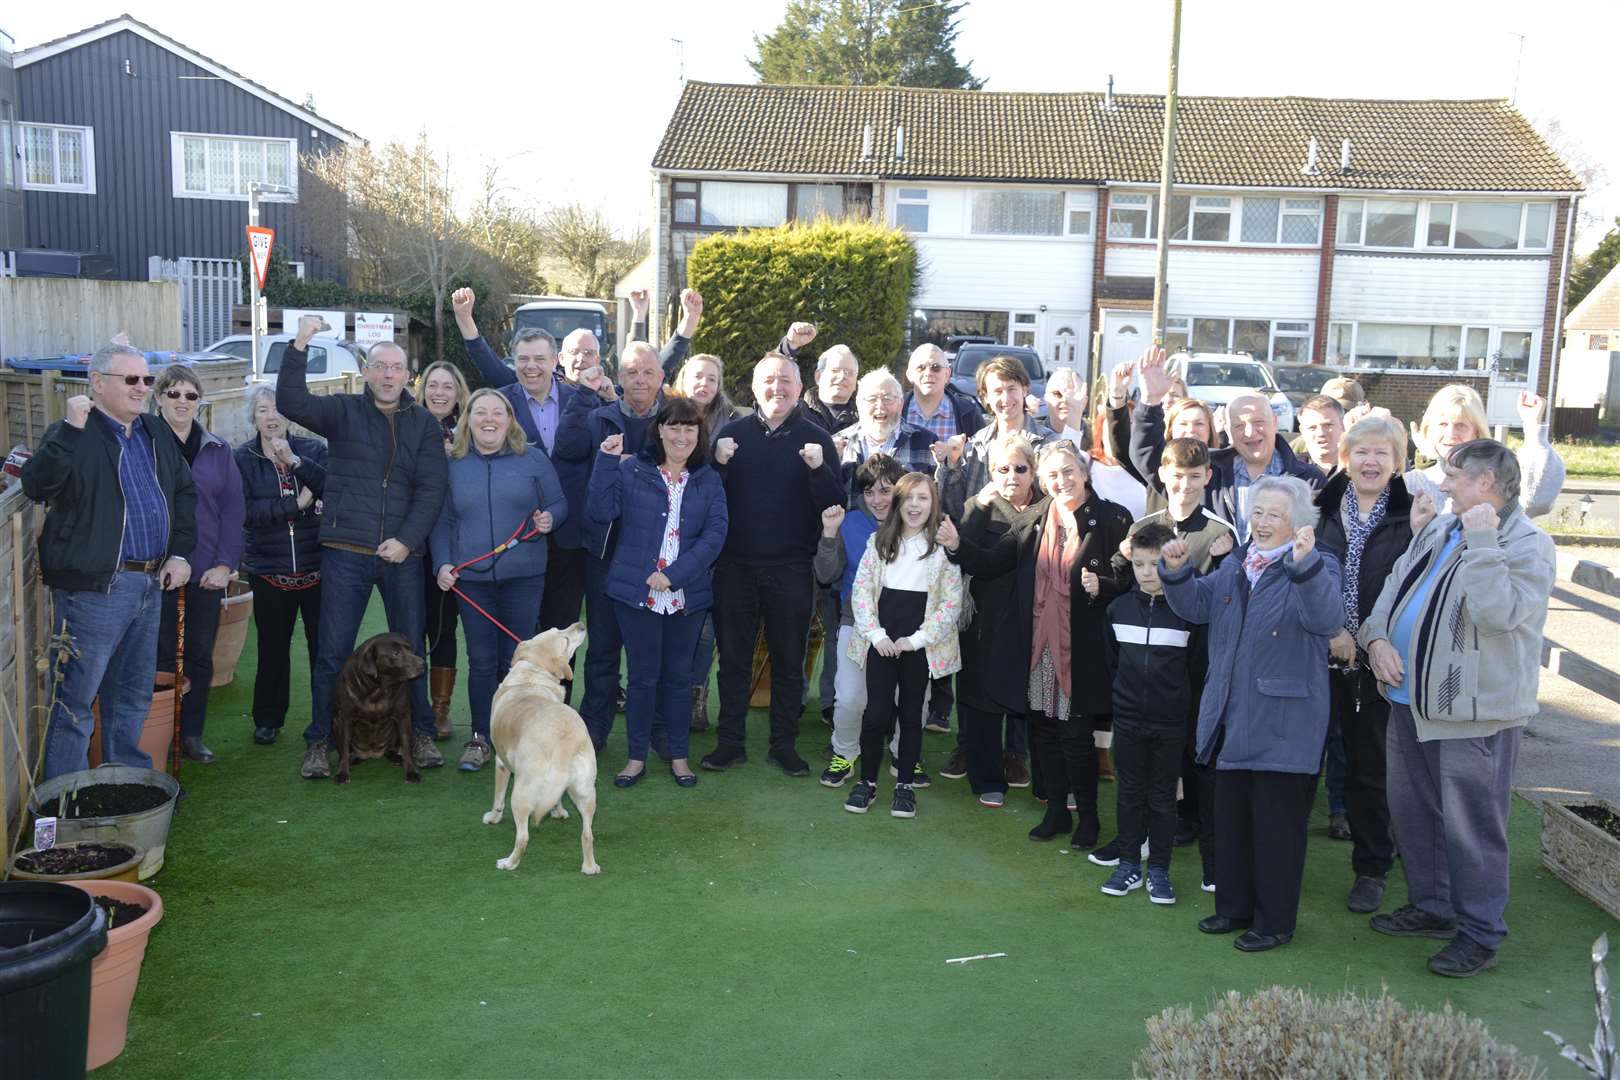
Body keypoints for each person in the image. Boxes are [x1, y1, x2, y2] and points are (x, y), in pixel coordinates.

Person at [1359, 439, 1555, 978]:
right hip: (1408, 702)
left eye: (1455, 477)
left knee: (1473, 828)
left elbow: (1497, 615)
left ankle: (1480, 934)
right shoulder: (1443, 527)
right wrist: (1376, 641)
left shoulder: (1526, 544)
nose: (1443, 485)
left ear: (1486, 483)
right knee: (1414, 813)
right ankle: (1433, 906)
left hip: (1474, 718)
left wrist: (1485, 541)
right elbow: (1393, 589)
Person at [1160, 475, 1343, 953]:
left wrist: (1304, 568)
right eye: (1257, 512)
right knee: (1233, 820)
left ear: (1298, 524)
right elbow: (1196, 607)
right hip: (1231, 717)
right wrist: (1177, 571)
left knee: (1276, 830)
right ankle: (1233, 908)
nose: (1261, 523)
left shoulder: (1318, 563)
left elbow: (1327, 620)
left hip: (1284, 724)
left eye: (1274, 515)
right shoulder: (1240, 563)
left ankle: (1275, 922)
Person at [277, 314, 449, 780]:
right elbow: (290, 399)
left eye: (396, 368)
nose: (388, 375)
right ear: (367, 372)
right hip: (346, 552)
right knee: (332, 652)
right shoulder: (343, 411)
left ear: (406, 376)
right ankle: (319, 739)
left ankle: (421, 733)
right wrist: (302, 342)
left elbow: (432, 491)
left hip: (401, 556)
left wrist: (407, 541)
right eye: (380, 366)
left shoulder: (425, 427)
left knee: (413, 655)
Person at [23, 342, 196, 780]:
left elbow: (184, 492)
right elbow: (38, 486)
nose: (143, 389)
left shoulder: (154, 433)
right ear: (97, 384)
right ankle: (67, 801)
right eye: (131, 380)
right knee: (75, 702)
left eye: (146, 380)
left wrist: (178, 553)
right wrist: (68, 429)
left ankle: (123, 788)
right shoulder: (76, 432)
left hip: (149, 583)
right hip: (96, 589)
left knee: (131, 695)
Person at [949, 441, 1132, 847]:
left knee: (1077, 736)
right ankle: (1055, 814)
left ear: (1085, 473)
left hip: (1082, 648)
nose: (1061, 480)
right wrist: (957, 545)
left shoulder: (1113, 519)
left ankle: (1088, 819)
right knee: (1044, 731)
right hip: (1036, 645)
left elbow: (1128, 578)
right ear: (1044, 482)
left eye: (1068, 471)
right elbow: (994, 561)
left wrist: (1102, 585)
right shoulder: (1035, 517)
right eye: (1052, 475)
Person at [700, 353, 845, 776]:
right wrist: (718, 463)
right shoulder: (732, 436)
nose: (777, 388)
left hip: (792, 569)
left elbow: (833, 504)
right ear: (754, 386)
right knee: (732, 660)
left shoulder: (817, 439)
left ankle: (784, 746)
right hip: (736, 568)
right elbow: (708, 500)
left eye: (785, 381)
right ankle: (730, 744)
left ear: (800, 389)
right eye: (768, 380)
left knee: (788, 662)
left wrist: (818, 470)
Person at [1100, 437, 1233, 889]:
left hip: (1184, 678)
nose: (1185, 484)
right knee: (1136, 786)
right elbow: (1114, 651)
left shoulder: (1219, 530)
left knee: (1184, 778)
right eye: (1177, 475)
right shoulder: (1143, 527)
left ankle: (1188, 861)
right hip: (1135, 697)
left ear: (1208, 478)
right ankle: (1129, 854)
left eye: (1195, 476)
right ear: (1162, 474)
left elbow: (1213, 607)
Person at [452, 287, 587, 701]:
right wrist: (465, 319)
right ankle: (502, 714)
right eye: (523, 359)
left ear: (555, 361)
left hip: (567, 536)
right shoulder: (503, 403)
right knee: (512, 638)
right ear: (515, 363)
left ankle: (556, 706)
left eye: (540, 359)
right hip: (516, 542)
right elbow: (482, 358)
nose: (531, 367)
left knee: (561, 633)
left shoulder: (580, 399)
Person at [589, 396, 728, 788]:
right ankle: (635, 758)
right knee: (641, 679)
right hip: (636, 594)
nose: (681, 435)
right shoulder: (632, 469)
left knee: (678, 679)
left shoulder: (709, 479)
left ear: (699, 434)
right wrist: (604, 462)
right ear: (660, 430)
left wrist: (675, 575)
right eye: (674, 427)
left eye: (689, 428)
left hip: (686, 596)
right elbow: (600, 511)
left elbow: (715, 536)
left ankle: (680, 757)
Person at [432, 389, 567, 771]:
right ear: (468, 419)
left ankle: (521, 737)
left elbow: (560, 504)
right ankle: (479, 737)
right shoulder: (452, 464)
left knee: (519, 661)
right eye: (480, 413)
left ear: (510, 420)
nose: (489, 419)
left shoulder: (533, 460)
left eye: (498, 413)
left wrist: (549, 520)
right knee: (481, 659)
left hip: (523, 578)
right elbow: (442, 520)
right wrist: (442, 563)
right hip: (470, 581)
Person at [1313, 414, 1412, 915]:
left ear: (1398, 462)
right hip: (1316, 656)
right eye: (1361, 452)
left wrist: (1366, 636)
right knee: (1302, 764)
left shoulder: (1413, 516)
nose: (1370, 461)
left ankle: (1372, 868)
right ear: (1345, 459)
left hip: (1377, 663)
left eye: (1382, 452)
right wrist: (1332, 631)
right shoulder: (1321, 509)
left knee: (1368, 771)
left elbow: (1408, 590)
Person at [554, 341, 668, 752]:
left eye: (648, 372)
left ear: (661, 378)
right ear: (619, 378)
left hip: (658, 557)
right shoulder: (598, 416)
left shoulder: (673, 422)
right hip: (605, 552)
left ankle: (654, 729)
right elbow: (566, 449)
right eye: (631, 372)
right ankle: (594, 729)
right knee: (602, 647)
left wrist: (630, 465)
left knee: (650, 652)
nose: (639, 379)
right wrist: (583, 393)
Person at [842, 473, 963, 818]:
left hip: (918, 645)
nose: (915, 505)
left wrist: (918, 640)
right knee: (876, 713)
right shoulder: (879, 542)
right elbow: (862, 593)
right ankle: (866, 782)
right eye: (908, 498)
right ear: (898, 503)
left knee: (911, 715)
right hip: (882, 643)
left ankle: (905, 784)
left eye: (923, 498)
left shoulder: (941, 550)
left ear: (933, 503)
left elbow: (950, 603)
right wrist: (877, 636)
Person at [937, 433, 1042, 803]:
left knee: (1028, 699)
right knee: (980, 699)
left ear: (1033, 471)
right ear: (991, 471)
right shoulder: (978, 505)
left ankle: (1025, 763)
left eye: (1020, 468)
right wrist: (979, 507)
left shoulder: (1048, 508)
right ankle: (986, 778)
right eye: (1002, 468)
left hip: (1033, 618)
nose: (1012, 475)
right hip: (983, 620)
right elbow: (958, 555)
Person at [151, 363, 245, 764]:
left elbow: (233, 511)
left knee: (199, 655)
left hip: (205, 570)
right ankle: (156, 735)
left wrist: (225, 563)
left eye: (191, 395)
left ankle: (190, 734)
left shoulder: (218, 451)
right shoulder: (145, 444)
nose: (183, 402)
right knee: (157, 656)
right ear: (159, 399)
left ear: (200, 402)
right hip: (156, 572)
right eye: (174, 394)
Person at [1129, 350, 1325, 543]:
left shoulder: (1307, 480)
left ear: (1274, 422)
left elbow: (1320, 543)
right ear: (1227, 432)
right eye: (1239, 425)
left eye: (1259, 422)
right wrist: (1150, 402)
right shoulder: (1209, 470)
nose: (1250, 432)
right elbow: (1151, 458)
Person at [1100, 523, 1198, 905]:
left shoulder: (1186, 613)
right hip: (1127, 720)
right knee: (1128, 794)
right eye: (1139, 564)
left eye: (1155, 564)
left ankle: (1158, 869)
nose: (1146, 572)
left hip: (1171, 723)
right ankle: (1127, 865)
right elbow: (1111, 663)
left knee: (1161, 798)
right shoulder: (1117, 609)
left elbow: (1195, 667)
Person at [234, 386, 326, 747]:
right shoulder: (242, 458)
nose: (271, 417)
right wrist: (294, 506)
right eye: (262, 410)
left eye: (277, 409)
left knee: (324, 649)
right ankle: (268, 718)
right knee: (272, 647)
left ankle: (329, 715)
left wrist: (295, 462)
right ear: (253, 418)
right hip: (269, 570)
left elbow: (332, 487)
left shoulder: (313, 451)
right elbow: (244, 513)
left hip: (317, 565)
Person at [813, 454, 905, 786]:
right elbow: (825, 574)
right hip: (857, 622)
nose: (877, 500)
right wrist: (828, 534)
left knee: (908, 697)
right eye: (869, 492)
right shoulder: (849, 523)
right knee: (851, 696)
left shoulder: (916, 521)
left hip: (907, 625)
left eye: (885, 490)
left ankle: (905, 752)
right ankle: (844, 753)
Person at [669, 351, 744, 732]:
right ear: (684, 378)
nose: (704, 384)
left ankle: (695, 694)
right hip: (671, 535)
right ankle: (667, 692)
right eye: (697, 376)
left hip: (717, 537)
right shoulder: (667, 414)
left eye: (711, 379)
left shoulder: (734, 422)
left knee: (706, 623)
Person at [1405, 385, 1563, 519]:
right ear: (1429, 429)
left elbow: (1537, 500)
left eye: (1461, 425)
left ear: (1477, 432)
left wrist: (1533, 427)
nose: (1451, 433)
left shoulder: (1494, 477)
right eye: (1443, 424)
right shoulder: (1414, 482)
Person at [417, 359, 470, 739]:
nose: (439, 393)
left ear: (458, 394)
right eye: (433, 386)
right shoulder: (408, 425)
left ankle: (439, 710)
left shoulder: (468, 434)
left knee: (442, 626)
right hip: (410, 542)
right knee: (408, 625)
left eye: (447, 387)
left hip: (451, 544)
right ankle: (410, 706)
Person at [937, 354, 1055, 521]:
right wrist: (952, 463)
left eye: (1011, 389)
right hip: (979, 542)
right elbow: (954, 509)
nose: (1005, 398)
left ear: (1025, 390)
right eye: (998, 391)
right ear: (985, 397)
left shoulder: (1047, 444)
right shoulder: (974, 447)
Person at [833, 370, 936, 501]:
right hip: (852, 521)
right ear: (858, 403)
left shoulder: (925, 442)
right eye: (872, 399)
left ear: (900, 404)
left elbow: (937, 498)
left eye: (887, 399)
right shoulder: (838, 444)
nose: (880, 407)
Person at [902, 343, 984, 443]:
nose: (928, 373)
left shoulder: (969, 413)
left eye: (935, 367)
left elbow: (980, 456)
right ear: (909, 375)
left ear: (947, 374)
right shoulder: (895, 409)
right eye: (921, 368)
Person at [801, 341, 859, 433]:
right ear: (818, 377)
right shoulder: (797, 412)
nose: (842, 376)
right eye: (835, 370)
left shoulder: (865, 418)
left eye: (849, 372)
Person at [1294, 394, 1346, 476]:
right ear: (1302, 431)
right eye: (1312, 427)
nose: (1321, 433)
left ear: (1342, 426)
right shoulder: (1290, 473)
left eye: (1328, 425)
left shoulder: (1357, 470)